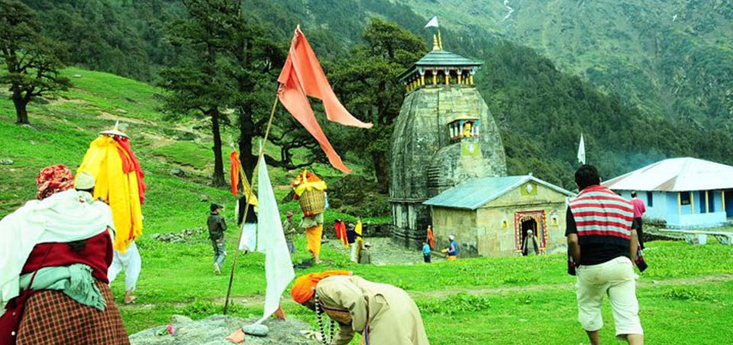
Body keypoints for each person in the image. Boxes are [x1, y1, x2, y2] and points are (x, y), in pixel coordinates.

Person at [0, 164, 130, 344]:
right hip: (97, 298)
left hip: (46, 305)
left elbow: (6, 264)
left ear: (41, 186)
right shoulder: (98, 214)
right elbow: (107, 257)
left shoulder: (24, 219)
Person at [566, 165, 643, 345]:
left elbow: (572, 240)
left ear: (578, 185)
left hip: (590, 265)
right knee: (629, 316)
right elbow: (633, 235)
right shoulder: (623, 202)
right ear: (600, 180)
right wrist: (629, 262)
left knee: (589, 308)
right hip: (621, 264)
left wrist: (579, 262)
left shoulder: (575, 205)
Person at [290, 271, 430, 345]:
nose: (307, 307)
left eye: (304, 303)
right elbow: (346, 327)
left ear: (309, 295)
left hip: (383, 307)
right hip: (399, 299)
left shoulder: (324, 286)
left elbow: (355, 298)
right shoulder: (327, 300)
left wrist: (361, 328)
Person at [207, 203, 227, 275]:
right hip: (219, 238)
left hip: (212, 238)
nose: (220, 210)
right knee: (223, 253)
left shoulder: (209, 217)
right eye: (219, 208)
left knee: (216, 252)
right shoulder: (219, 218)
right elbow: (224, 228)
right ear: (216, 209)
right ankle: (218, 264)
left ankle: (216, 266)